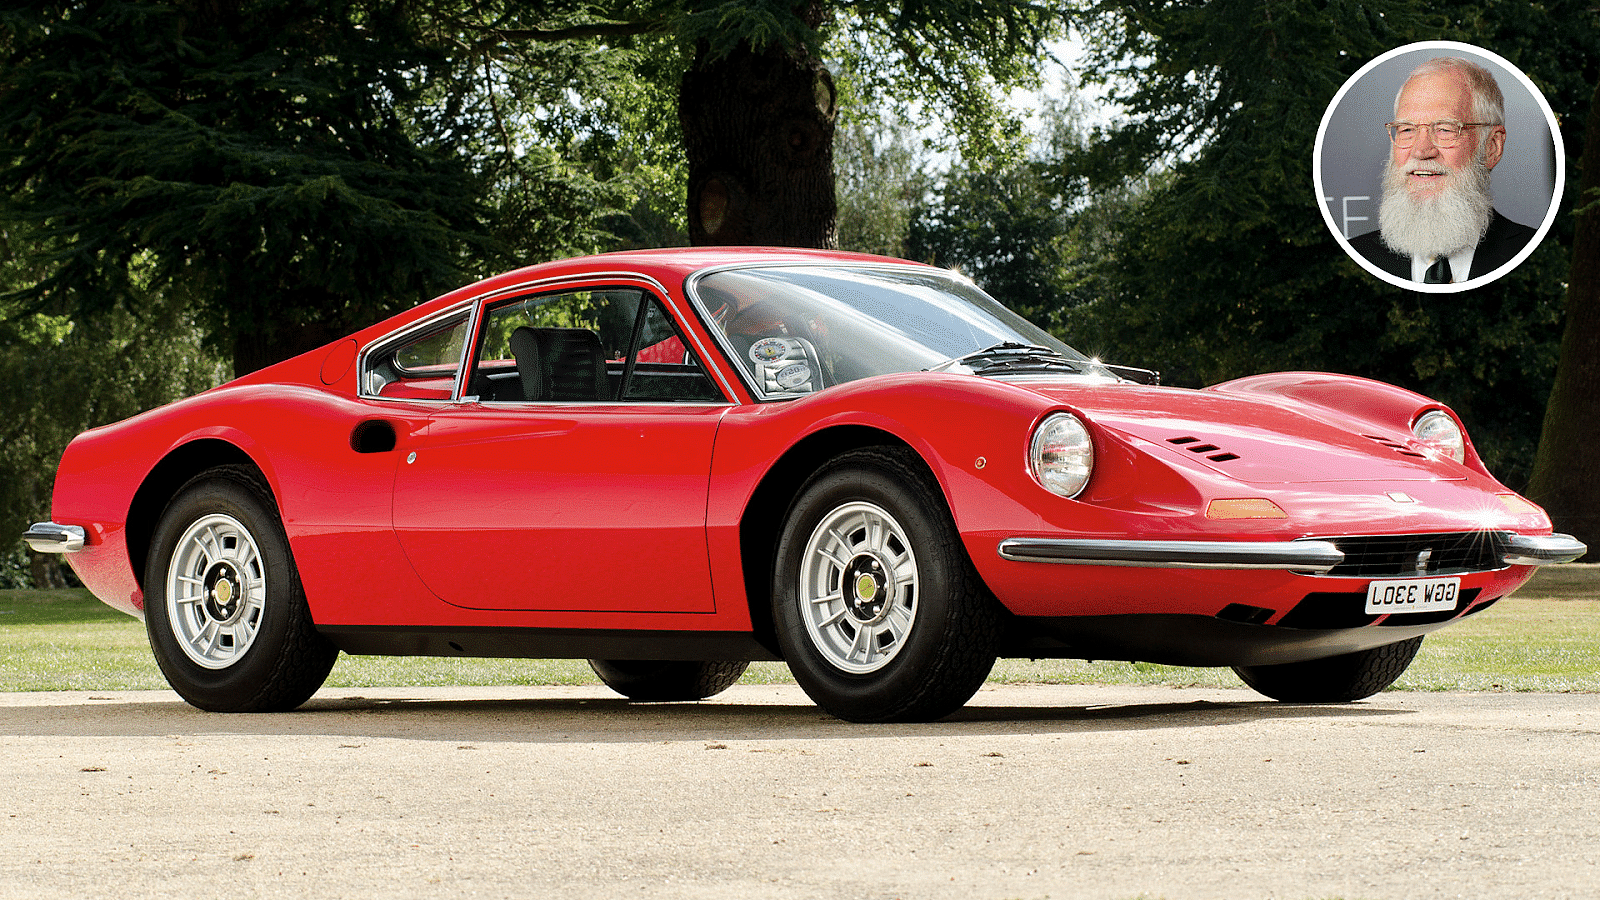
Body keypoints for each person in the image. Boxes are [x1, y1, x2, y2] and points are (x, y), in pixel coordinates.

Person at [1347, 56, 1536, 285]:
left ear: (1492, 147)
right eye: (1406, 129)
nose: (1421, 150)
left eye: (1445, 129)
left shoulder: (1529, 253)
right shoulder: (1358, 256)